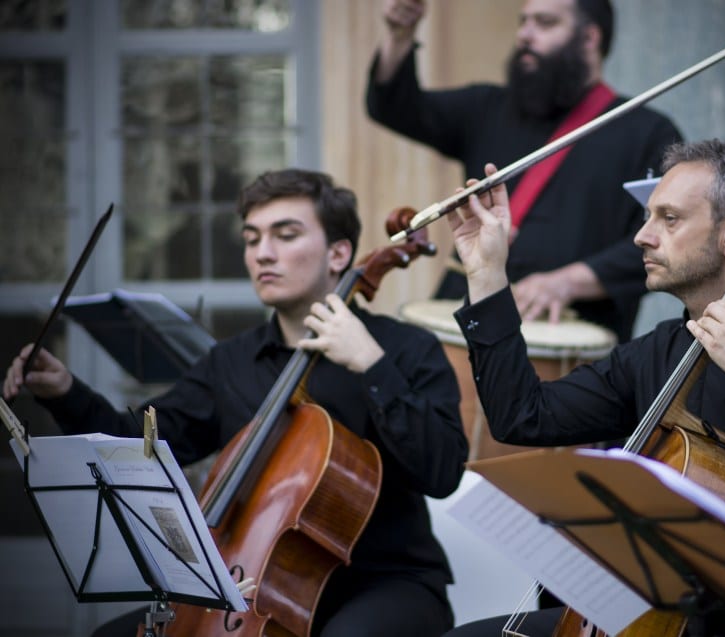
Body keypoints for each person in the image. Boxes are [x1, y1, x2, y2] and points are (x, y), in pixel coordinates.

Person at [444, 139, 725, 636]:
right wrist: (487, 274)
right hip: (661, 612)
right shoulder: (657, 350)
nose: (642, 236)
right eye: (648, 217)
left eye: (669, 219)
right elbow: (523, 415)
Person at [3, 169, 469, 637]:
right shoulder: (230, 363)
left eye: (285, 235)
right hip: (257, 586)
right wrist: (65, 391)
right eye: (251, 238)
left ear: (339, 254)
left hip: (385, 585)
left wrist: (371, 364)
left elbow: (442, 470)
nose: (262, 253)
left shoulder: (405, 349)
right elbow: (137, 446)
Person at [366, 0, 683, 343]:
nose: (524, 35)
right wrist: (400, 35)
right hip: (464, 316)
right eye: (523, 22)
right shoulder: (487, 108)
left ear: (589, 37)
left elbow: (669, 239)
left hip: (570, 340)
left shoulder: (648, 133)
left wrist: (568, 282)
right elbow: (395, 107)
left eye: (544, 23)